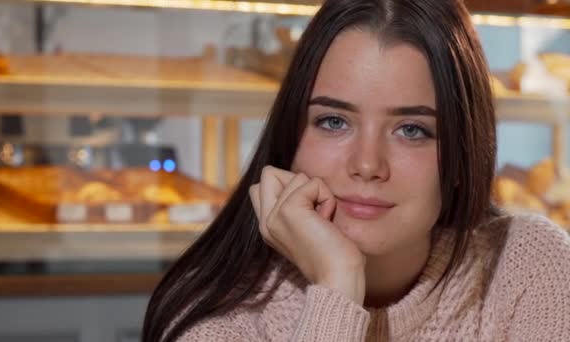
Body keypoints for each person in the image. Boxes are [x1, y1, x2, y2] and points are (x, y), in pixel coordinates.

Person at [142, 0, 570, 341]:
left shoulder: (532, 268)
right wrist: (336, 288)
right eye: (334, 122)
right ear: (292, 138)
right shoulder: (218, 322)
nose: (367, 165)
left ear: (462, 156)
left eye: (411, 130)